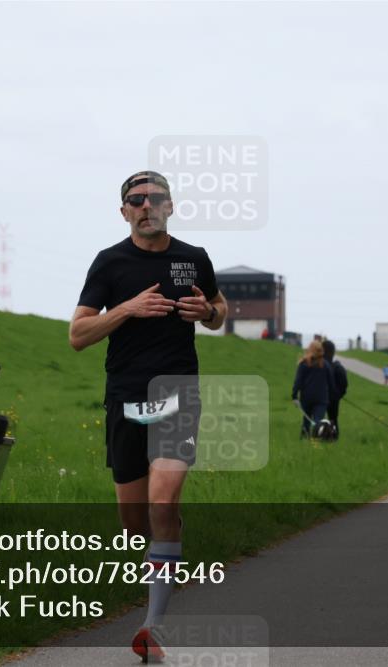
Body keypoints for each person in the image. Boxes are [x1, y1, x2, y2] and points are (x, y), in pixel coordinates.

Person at [69, 170, 226, 662]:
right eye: (136, 200)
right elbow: (78, 335)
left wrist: (208, 314)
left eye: (155, 198)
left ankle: (153, 626)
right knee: (135, 522)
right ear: (124, 212)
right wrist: (128, 308)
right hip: (125, 397)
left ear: (170, 206)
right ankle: (166, 537)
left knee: (162, 501)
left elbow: (219, 309)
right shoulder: (109, 262)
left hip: (178, 393)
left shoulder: (194, 258)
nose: (146, 206)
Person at [292, 340, 332, 438]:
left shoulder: (304, 364)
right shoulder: (325, 364)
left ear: (310, 350)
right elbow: (331, 382)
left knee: (306, 420)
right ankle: (318, 438)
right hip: (321, 398)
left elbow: (298, 381)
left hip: (306, 398)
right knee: (318, 420)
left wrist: (294, 396)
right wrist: (333, 393)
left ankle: (304, 438)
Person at [321, 339, 348, 439]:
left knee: (319, 418)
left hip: (322, 397)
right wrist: (339, 395)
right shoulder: (338, 367)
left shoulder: (320, 366)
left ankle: (322, 436)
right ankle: (334, 437)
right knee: (333, 418)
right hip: (334, 398)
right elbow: (344, 384)